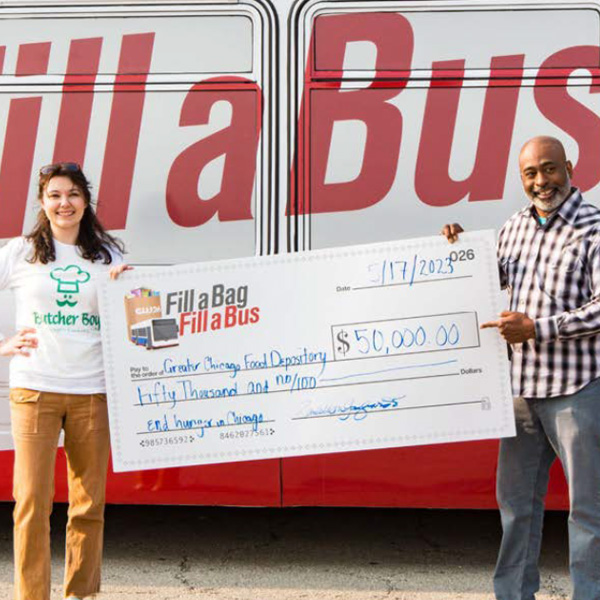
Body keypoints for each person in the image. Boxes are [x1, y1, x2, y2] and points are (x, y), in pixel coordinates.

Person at [443, 136, 600, 600]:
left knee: (587, 510)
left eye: (549, 169)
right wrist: (454, 249)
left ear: (569, 167)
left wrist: (538, 329)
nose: (541, 181)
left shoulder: (594, 227)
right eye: (531, 173)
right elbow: (485, 284)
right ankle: (513, 595)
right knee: (516, 509)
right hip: (522, 394)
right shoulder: (513, 227)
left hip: (578, 391)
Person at [0, 162, 130, 600]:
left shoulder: (109, 256)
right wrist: (1, 345)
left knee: (88, 505)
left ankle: (80, 595)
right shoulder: (20, 252)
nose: (64, 203)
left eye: (73, 194)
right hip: (34, 389)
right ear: (42, 203)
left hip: (91, 391)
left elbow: (137, 321)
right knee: (31, 503)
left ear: (86, 201)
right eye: (55, 195)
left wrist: (124, 292)